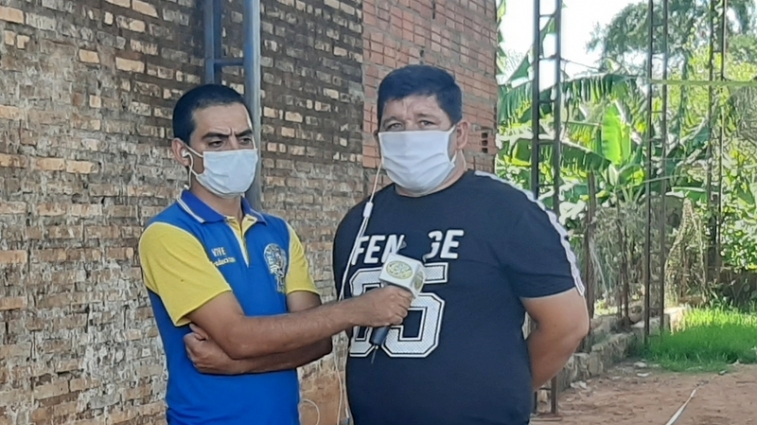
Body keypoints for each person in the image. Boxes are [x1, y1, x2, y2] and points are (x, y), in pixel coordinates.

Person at [137, 83, 413, 425]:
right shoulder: (170, 234)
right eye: (216, 142)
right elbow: (237, 337)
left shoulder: (277, 232)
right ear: (182, 153)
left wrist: (236, 365)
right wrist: (356, 310)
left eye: (244, 139)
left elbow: (318, 342)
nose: (235, 150)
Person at [332, 64, 590, 425]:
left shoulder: (508, 211)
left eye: (425, 122)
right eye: (394, 126)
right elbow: (356, 324)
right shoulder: (357, 224)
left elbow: (567, 325)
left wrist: (501, 391)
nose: (409, 136)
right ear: (378, 138)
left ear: (460, 134)